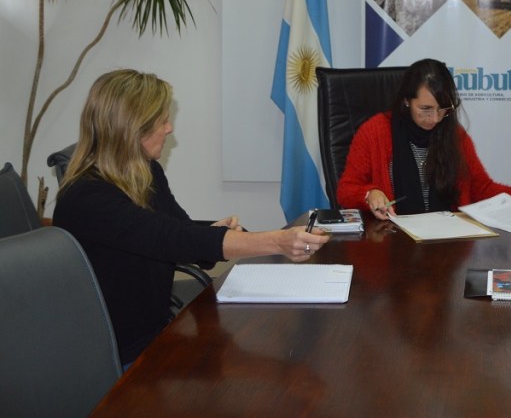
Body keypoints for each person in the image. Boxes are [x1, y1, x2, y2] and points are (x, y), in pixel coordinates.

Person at [53, 69, 329, 365]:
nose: (170, 128)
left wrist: (213, 230)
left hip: (156, 332)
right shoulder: (86, 198)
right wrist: (277, 241)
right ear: (133, 130)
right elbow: (169, 238)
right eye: (162, 120)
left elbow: (175, 228)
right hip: (118, 354)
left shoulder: (145, 171)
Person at [336, 58, 511, 219]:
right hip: (393, 242)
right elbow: (345, 190)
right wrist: (369, 194)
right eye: (425, 109)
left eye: (442, 110)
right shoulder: (376, 132)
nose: (434, 118)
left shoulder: (455, 135)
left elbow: (480, 186)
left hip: (447, 245)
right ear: (407, 101)